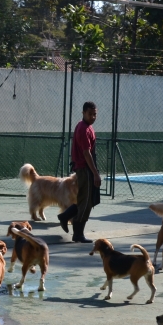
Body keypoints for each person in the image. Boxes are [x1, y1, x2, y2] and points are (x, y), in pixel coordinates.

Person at [58, 101, 100, 243]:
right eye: (90, 114)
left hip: (85, 168)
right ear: (83, 113)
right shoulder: (83, 129)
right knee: (86, 202)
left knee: (86, 199)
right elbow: (86, 153)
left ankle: (65, 216)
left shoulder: (86, 126)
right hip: (85, 168)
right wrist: (94, 173)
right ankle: (78, 234)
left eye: (95, 114)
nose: (93, 117)